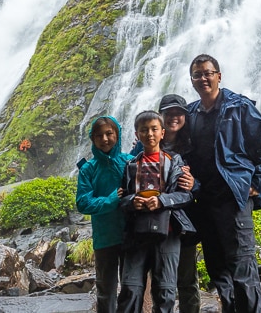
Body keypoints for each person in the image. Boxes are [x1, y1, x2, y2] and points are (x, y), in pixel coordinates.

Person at [184, 54, 261, 313]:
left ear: (219, 76)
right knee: (217, 267)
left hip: (233, 198)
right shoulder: (190, 113)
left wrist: (257, 182)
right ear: (191, 80)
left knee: (242, 265)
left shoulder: (240, 107)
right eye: (197, 74)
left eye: (208, 73)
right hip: (204, 200)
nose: (203, 78)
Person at [117, 111, 195, 313]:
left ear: (162, 132)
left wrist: (161, 200)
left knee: (165, 292)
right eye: (144, 130)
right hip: (136, 234)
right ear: (137, 134)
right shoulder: (131, 165)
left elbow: (185, 195)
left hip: (168, 233)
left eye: (154, 129)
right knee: (130, 289)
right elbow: (122, 198)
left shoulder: (174, 161)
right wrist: (133, 201)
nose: (149, 134)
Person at [76, 116, 134, 313]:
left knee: (131, 287)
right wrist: (110, 200)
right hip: (105, 237)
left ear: (117, 135)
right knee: (105, 289)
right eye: (99, 135)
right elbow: (83, 202)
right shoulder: (88, 169)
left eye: (109, 133)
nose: (105, 139)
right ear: (93, 139)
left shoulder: (129, 161)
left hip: (131, 235)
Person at [158, 94, 201, 313]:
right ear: (161, 116)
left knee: (187, 279)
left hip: (184, 222)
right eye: (169, 113)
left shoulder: (194, 146)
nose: (174, 117)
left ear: (185, 116)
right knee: (159, 281)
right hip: (156, 220)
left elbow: (205, 182)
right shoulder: (147, 142)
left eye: (178, 113)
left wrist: (194, 183)